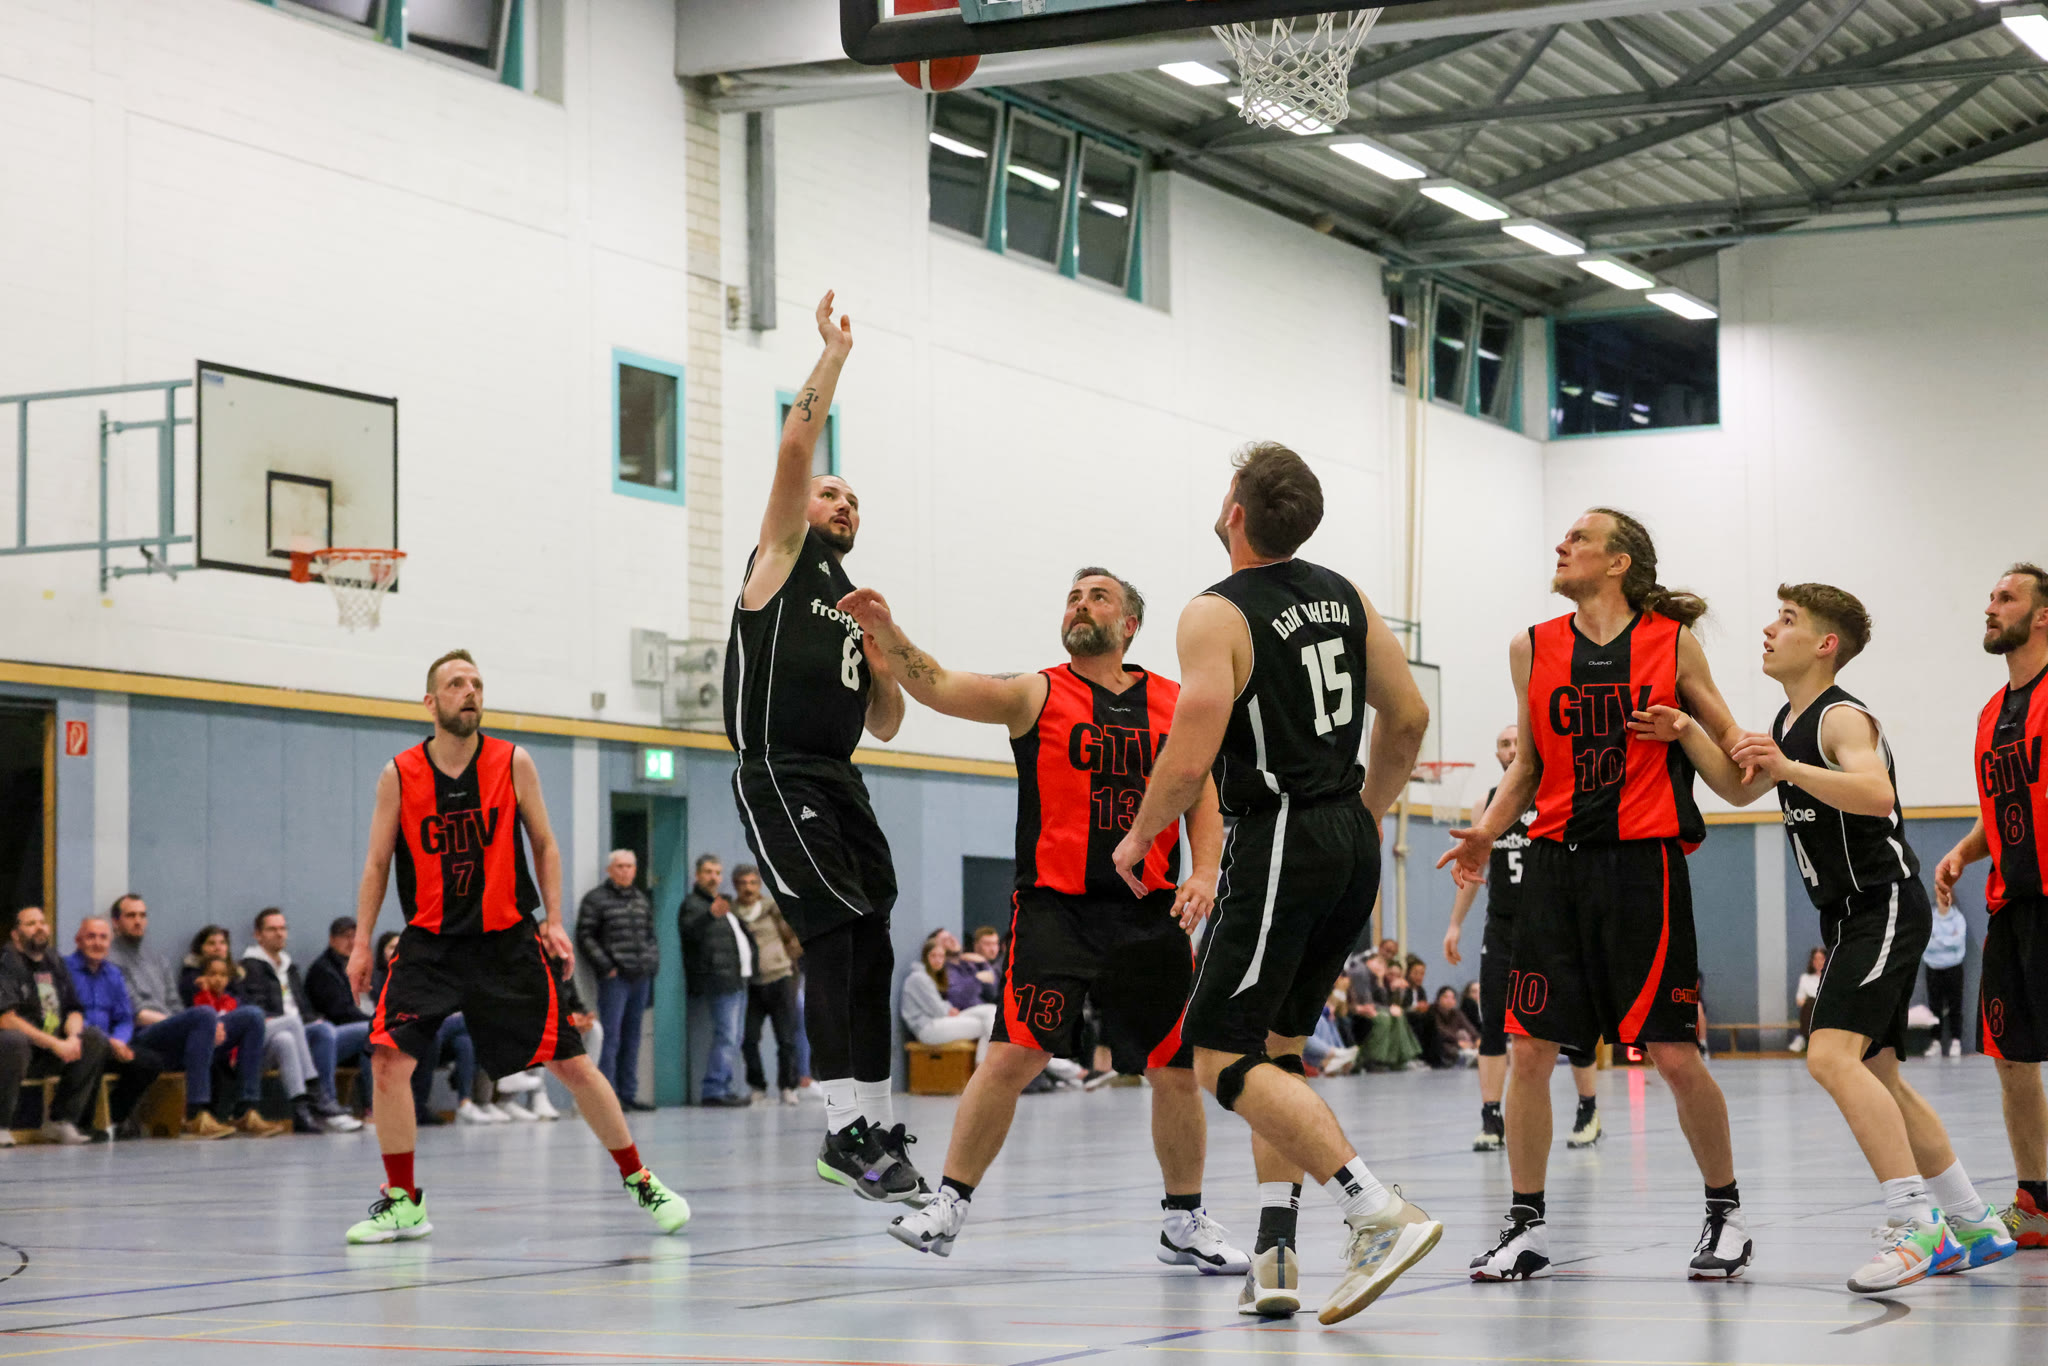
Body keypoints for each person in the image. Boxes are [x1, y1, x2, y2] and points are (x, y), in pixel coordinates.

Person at [1104, 442, 1438, 1324]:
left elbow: (1190, 757)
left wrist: (1139, 835)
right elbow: (1408, 717)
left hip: (1280, 833)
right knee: (1279, 1050)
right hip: (1347, 835)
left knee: (1218, 1053)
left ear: (1236, 512)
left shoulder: (1215, 612)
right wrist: (1365, 813)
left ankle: (1375, 1209)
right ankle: (1276, 1251)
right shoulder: (1346, 594)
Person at [846, 564, 1249, 1275]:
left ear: (1129, 624)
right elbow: (939, 685)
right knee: (1010, 1057)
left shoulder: (1173, 702)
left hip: (1148, 914)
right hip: (1055, 909)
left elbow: (1202, 792)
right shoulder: (1037, 692)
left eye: (1098, 596)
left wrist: (1206, 870)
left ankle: (1183, 1221)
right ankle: (949, 1205)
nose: (1080, 605)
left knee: (1175, 1069)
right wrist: (888, 632)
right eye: (1073, 597)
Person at [1649, 582, 2017, 1291]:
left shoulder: (1842, 717)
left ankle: (1915, 1225)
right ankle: (1973, 1221)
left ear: (1824, 644)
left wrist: (1789, 768)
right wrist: (1688, 729)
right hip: (1848, 914)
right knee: (1879, 1076)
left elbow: (1877, 794)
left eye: (1786, 620)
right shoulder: (1788, 719)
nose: (1768, 629)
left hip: (1881, 904)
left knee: (1828, 1057)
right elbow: (1738, 788)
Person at [1442, 508, 1750, 1283]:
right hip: (1553, 868)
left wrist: (1688, 730)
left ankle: (1726, 1214)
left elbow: (1735, 761)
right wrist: (1485, 833)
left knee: (1673, 1053)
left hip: (1644, 868)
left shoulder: (1672, 644)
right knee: (1528, 1048)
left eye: (1579, 538)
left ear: (1618, 563)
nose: (1562, 545)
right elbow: (1529, 765)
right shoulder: (1531, 646)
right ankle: (1525, 1225)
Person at [341, 648, 689, 1243]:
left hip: (506, 943)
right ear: (431, 701)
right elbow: (376, 863)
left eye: (476, 683)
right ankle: (403, 1202)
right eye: (456, 683)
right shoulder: (400, 774)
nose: (470, 692)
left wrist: (553, 919)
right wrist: (361, 944)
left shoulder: (512, 762)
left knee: (571, 1063)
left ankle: (641, 1179)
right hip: (430, 944)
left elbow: (545, 844)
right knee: (388, 1059)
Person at [725, 292, 922, 1203]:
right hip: (778, 770)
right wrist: (833, 357)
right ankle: (841, 1131)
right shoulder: (779, 554)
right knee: (835, 932)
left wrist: (883, 656)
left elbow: (887, 723)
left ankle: (875, 1122)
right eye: (831, 492)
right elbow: (795, 448)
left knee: (873, 937)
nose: (842, 502)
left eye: (853, 500)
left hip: (842, 777)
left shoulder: (853, 598)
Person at [1934, 562, 2048, 1249]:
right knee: (2013, 1057)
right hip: (2012, 908)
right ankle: (2035, 1205)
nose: (1991, 606)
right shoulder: (1990, 713)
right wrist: (1962, 852)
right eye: (1991, 597)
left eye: (2006, 598)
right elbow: (2001, 805)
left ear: (2042, 616)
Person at [1443, 724, 1601, 1153]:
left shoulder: (1558, 794)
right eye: (1504, 744)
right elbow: (1474, 869)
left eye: (1517, 741)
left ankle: (1588, 1108)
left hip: (1555, 926)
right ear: (1496, 754)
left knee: (1571, 1023)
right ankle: (1490, 1117)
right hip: (1502, 926)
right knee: (1492, 1022)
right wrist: (1455, 923)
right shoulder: (1487, 805)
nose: (1512, 749)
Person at [108, 897, 271, 1137]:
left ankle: (246, 1109)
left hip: (176, 1029)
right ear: (116, 922)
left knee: (253, 1016)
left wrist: (203, 1026)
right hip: (144, 1036)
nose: (138, 921)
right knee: (204, 1014)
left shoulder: (157, 958)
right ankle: (195, 1114)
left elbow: (175, 1005)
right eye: (130, 916)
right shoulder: (111, 959)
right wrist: (196, 1023)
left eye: (142, 915)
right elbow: (137, 1013)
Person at [242, 908, 365, 1132]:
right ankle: (319, 1097)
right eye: (272, 929)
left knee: (328, 1030)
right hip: (268, 1035)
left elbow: (305, 1008)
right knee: (289, 1031)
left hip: (296, 1032)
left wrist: (314, 1020)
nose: (279, 934)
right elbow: (255, 1010)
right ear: (258, 935)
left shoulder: (289, 967)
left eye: (282, 928)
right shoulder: (250, 966)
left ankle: (321, 1106)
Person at [0, 907, 111, 1145]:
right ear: (16, 934)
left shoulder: (54, 960)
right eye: (31, 924)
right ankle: (1, 1125)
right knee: (12, 1040)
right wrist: (55, 1044)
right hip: (20, 1050)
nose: (39, 927)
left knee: (93, 1038)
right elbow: (6, 1018)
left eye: (42, 922)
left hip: (51, 1047)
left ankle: (61, 1121)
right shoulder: (7, 962)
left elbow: (74, 1010)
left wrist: (72, 1038)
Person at [577, 849, 660, 1112]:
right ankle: (608, 1095)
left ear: (635, 870)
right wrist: (606, 966)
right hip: (615, 979)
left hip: (640, 976)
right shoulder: (596, 899)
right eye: (620, 866)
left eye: (629, 866)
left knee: (633, 1037)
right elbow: (585, 935)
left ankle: (628, 1093)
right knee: (610, 1036)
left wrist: (651, 963)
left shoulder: (641, 899)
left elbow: (650, 935)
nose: (625, 871)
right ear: (609, 870)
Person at [678, 855, 751, 1108]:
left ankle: (724, 1086)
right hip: (719, 979)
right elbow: (689, 932)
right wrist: (709, 915)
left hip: (737, 978)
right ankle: (714, 1089)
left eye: (717, 872)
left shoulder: (721, 904)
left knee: (735, 1037)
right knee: (727, 1036)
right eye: (708, 872)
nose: (713, 877)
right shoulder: (694, 904)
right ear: (697, 875)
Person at [733, 864, 804, 1105]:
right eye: (743, 883)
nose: (748, 888)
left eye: (753, 883)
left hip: (780, 979)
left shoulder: (773, 908)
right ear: (736, 886)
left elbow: (794, 937)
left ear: (759, 885)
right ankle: (757, 1086)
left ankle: (788, 1086)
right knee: (749, 1039)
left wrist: (786, 960)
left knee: (786, 1038)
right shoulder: (732, 912)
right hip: (751, 984)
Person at [900, 932, 998, 1061]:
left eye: (941, 956)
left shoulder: (931, 976)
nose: (938, 960)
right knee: (986, 1025)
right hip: (927, 1029)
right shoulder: (918, 978)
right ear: (925, 957)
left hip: (940, 1021)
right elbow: (937, 1010)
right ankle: (992, 1064)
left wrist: (948, 1009)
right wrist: (949, 1009)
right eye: (933, 956)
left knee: (991, 1010)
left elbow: (940, 1004)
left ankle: (984, 1067)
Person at [1923, 903, 1968, 1059]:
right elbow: (1927, 942)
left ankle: (1956, 1041)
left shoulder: (1958, 918)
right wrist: (1949, 939)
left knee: (1955, 1005)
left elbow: (1958, 941)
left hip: (1954, 967)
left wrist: (1938, 939)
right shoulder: (1930, 918)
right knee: (1934, 1006)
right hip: (1933, 967)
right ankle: (1936, 1042)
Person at [1427, 988, 1481, 1068]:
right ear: (1438, 999)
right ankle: (1464, 1058)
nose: (1449, 1000)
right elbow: (1439, 1031)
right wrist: (1458, 1042)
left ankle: (1470, 1056)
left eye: (1452, 998)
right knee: (1444, 1045)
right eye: (1446, 997)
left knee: (1467, 1038)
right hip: (1438, 1043)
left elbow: (1469, 1027)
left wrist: (1477, 1039)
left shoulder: (1456, 1013)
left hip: (1455, 1043)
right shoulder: (1431, 1012)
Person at [1793, 947, 1827, 1054]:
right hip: (1811, 1010)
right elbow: (1799, 999)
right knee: (1810, 1002)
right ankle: (1803, 1038)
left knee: (1814, 1002)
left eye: (1821, 959)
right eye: (1815, 959)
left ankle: (1803, 1036)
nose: (1818, 962)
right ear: (1812, 962)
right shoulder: (1805, 978)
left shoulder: (1831, 978)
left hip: (1827, 1008)